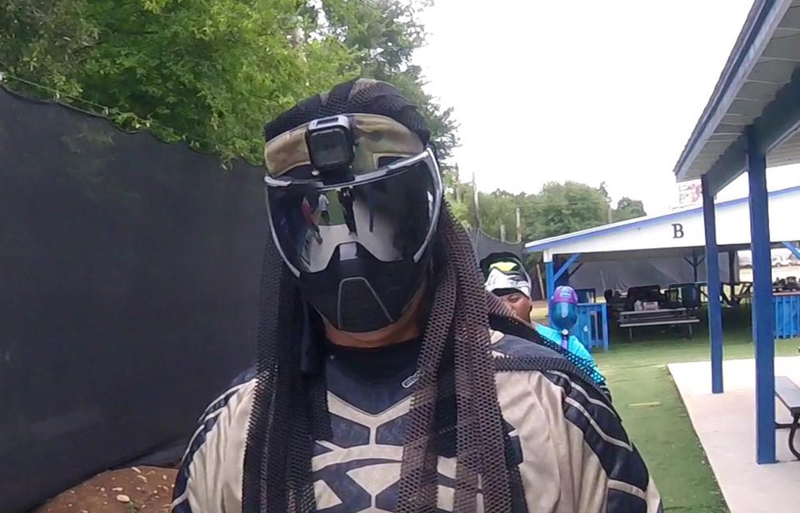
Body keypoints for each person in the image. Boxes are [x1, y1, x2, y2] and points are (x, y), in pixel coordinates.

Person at [172, 79, 660, 513]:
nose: (349, 250)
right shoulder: (239, 424)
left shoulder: (551, 404)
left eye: (376, 211)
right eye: (321, 220)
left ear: (426, 217)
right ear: (286, 236)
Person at [480, 252, 606, 389]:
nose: (505, 307)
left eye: (514, 299)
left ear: (529, 301)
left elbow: (599, 388)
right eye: (496, 302)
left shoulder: (565, 344)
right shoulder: (480, 348)